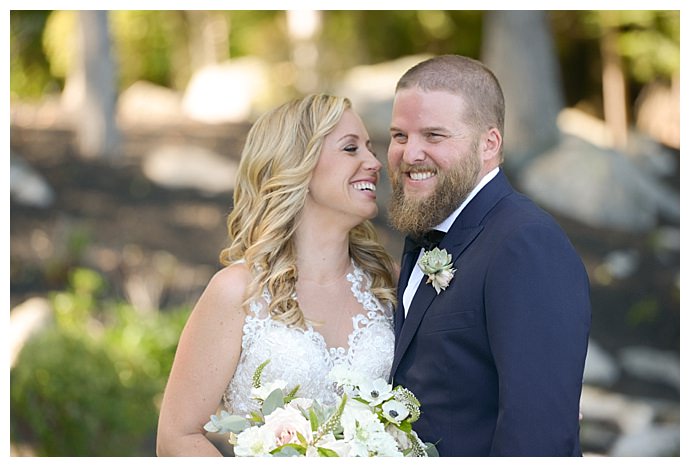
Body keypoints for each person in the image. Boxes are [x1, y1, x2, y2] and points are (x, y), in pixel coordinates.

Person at [156, 94, 397, 456]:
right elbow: (176, 437)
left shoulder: (389, 282)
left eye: (370, 148)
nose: (374, 162)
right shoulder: (237, 292)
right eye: (351, 148)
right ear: (297, 163)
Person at [387, 55, 591, 456]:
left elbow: (539, 433)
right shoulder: (428, 233)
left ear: (489, 144)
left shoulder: (525, 243)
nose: (410, 154)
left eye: (434, 136)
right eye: (399, 135)